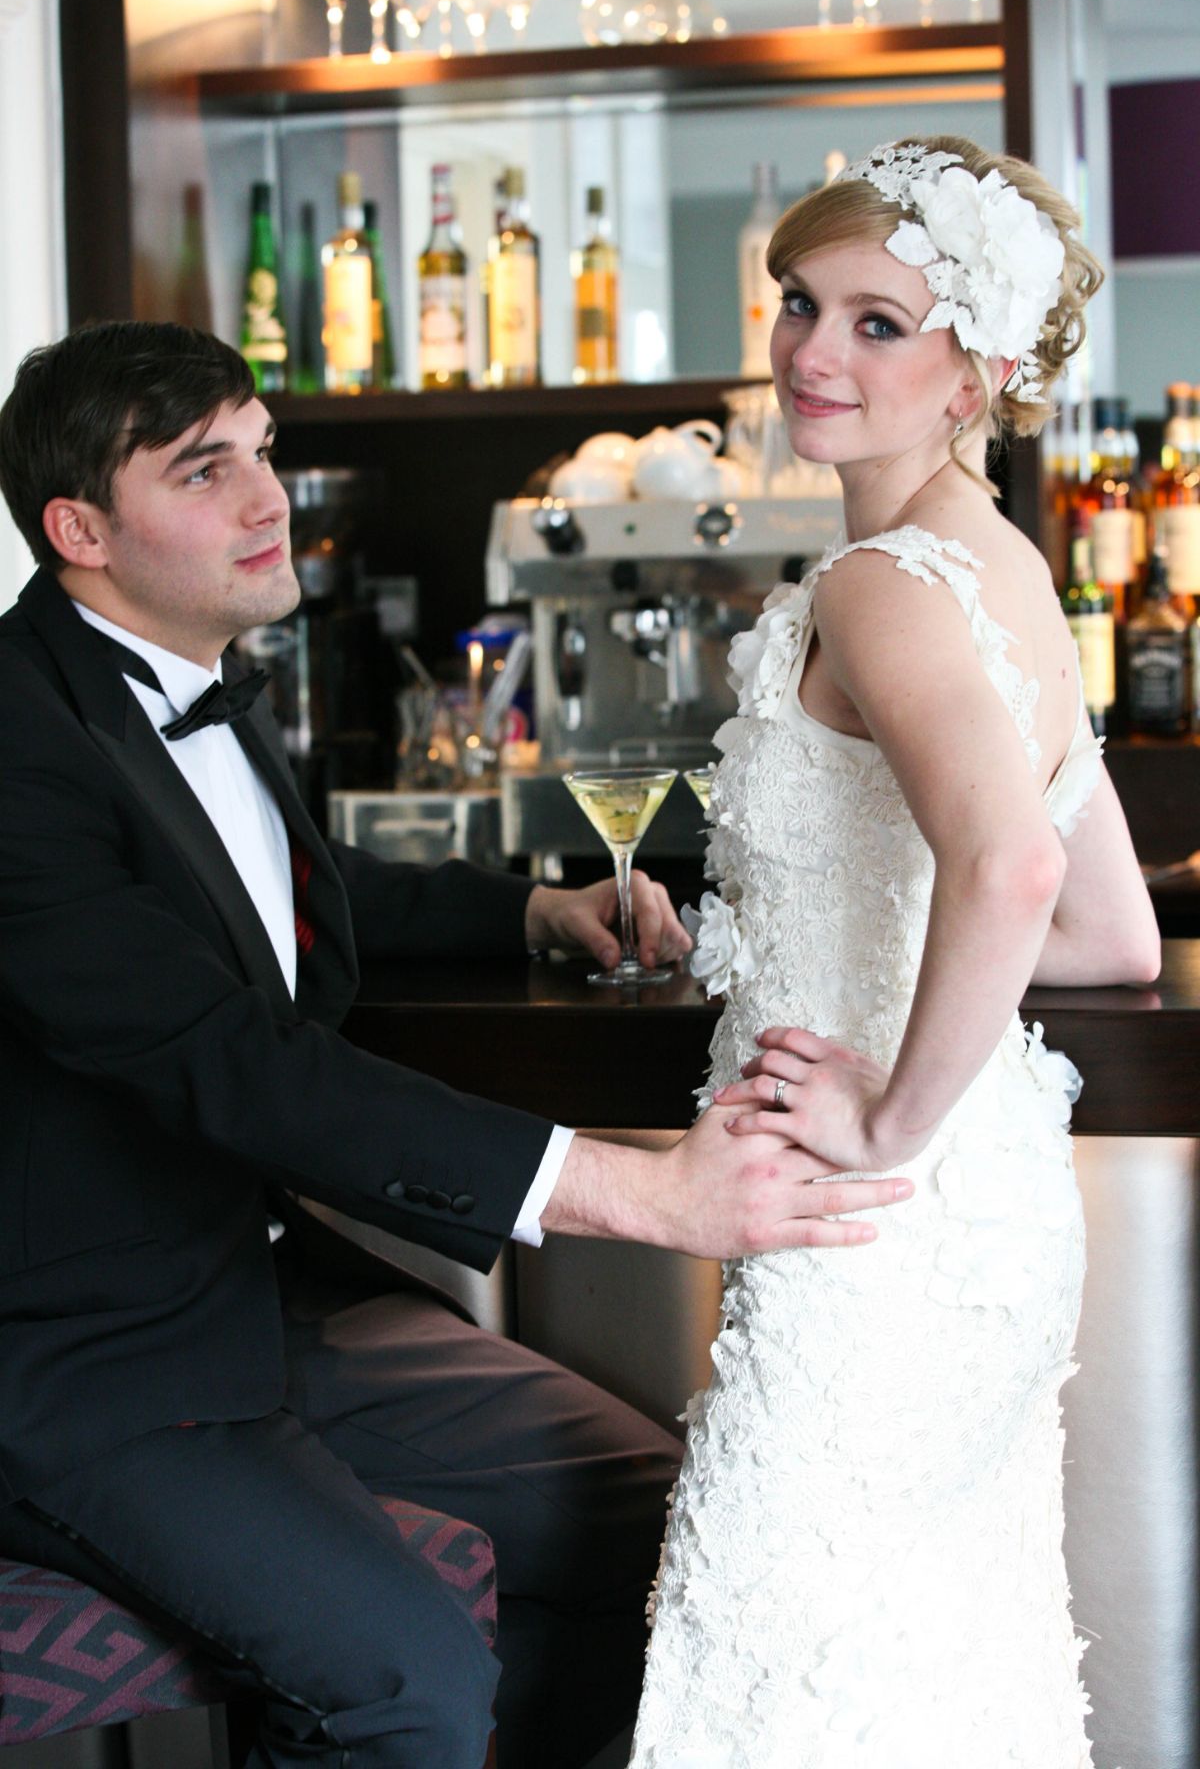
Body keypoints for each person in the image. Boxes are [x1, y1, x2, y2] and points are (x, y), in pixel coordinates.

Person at [0, 320, 914, 1769]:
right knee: (406, 1685)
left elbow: (278, 892)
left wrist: (532, 911)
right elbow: (230, 1054)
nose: (266, 500)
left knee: (672, 1532)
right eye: (203, 471)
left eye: (263, 453)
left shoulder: (177, 674)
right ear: (80, 531)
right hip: (89, 1360)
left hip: (265, 1300)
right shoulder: (17, 740)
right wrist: (640, 1190)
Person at [628, 136, 1161, 1768]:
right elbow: (1113, 933)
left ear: (976, 373)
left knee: (783, 1699)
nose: (810, 349)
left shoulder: (879, 587)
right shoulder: (1005, 569)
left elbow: (1014, 868)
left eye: (878, 323)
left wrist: (884, 1120)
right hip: (977, 1224)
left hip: (870, 1229)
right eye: (801, 301)